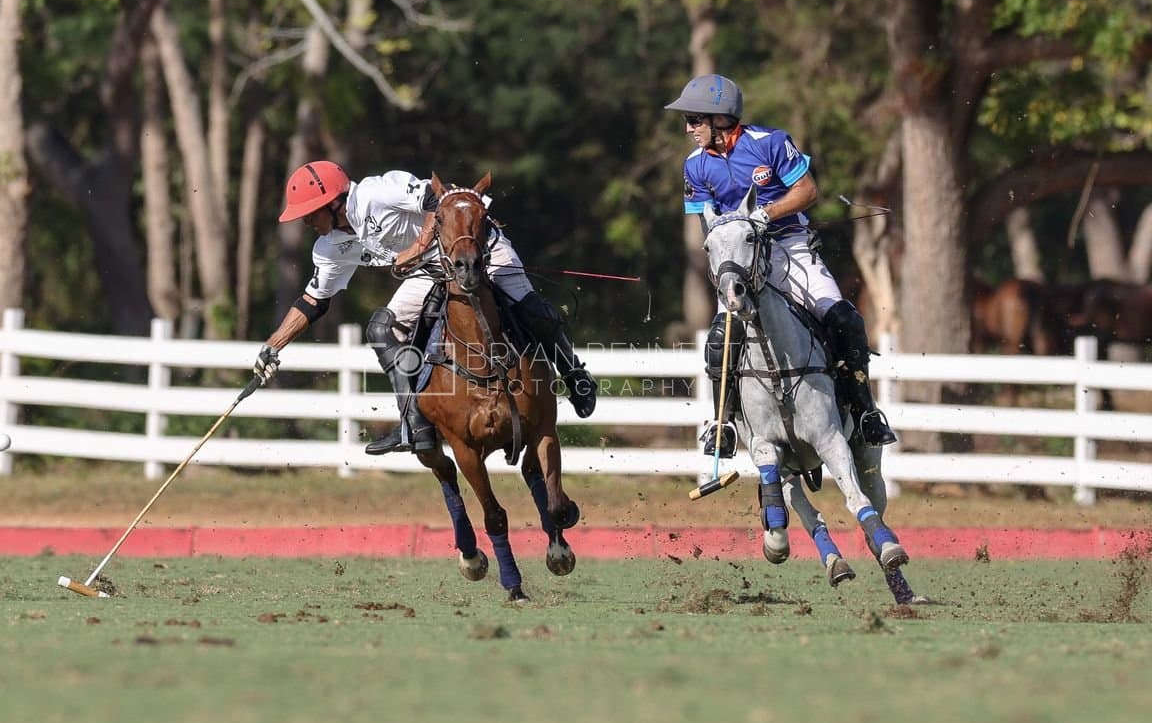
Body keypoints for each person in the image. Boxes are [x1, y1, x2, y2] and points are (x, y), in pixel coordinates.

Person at [253, 160, 598, 455]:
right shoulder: (329, 248)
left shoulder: (378, 192)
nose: (305, 222)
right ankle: (412, 424)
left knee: (533, 311)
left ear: (333, 203)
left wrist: (417, 248)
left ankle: (574, 374)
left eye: (309, 214)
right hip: (431, 273)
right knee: (381, 328)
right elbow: (314, 301)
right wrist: (273, 345)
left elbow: (440, 197)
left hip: (479, 251)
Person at [664, 74, 896, 449]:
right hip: (742, 259)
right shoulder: (694, 165)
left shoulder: (770, 143)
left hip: (790, 247)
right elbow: (705, 218)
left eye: (693, 120)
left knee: (844, 319)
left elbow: (808, 190)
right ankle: (723, 425)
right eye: (687, 121)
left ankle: (866, 411)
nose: (688, 129)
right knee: (721, 338)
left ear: (719, 118)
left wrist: (766, 214)